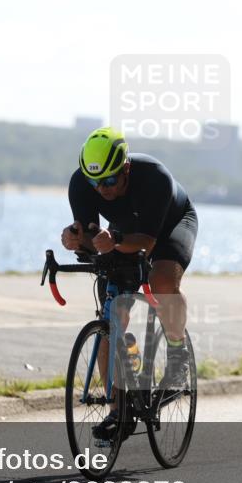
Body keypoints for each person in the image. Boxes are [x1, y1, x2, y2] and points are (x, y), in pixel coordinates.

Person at [61, 126, 198, 440]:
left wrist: (116, 239)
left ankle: (177, 357)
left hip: (170, 225)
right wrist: (74, 238)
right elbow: (91, 236)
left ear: (125, 168)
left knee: (161, 278)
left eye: (110, 180)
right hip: (122, 232)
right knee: (111, 316)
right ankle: (119, 408)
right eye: (97, 182)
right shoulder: (82, 184)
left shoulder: (154, 177)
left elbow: (147, 244)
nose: (103, 189)